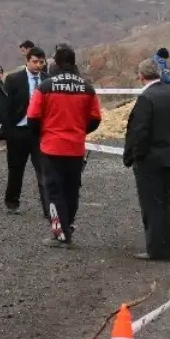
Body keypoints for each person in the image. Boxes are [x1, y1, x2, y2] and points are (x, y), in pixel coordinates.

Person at [28, 44, 102, 248]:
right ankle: (68, 226)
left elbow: (33, 117)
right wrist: (80, 131)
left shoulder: (45, 86)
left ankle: (60, 234)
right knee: (72, 189)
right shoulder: (87, 87)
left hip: (51, 147)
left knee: (54, 191)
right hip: (76, 147)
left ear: (56, 62)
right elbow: (96, 118)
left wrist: (43, 134)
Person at [124, 58, 170, 261]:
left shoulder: (146, 98)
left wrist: (134, 156)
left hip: (149, 159)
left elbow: (139, 132)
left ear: (141, 76)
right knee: (164, 202)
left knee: (151, 205)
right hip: (168, 155)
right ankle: (164, 247)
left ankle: (155, 250)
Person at [2, 46, 49, 216]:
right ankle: (12, 202)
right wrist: (8, 133)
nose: (38, 65)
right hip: (18, 130)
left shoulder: (47, 80)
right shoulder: (14, 79)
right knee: (16, 169)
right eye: (35, 62)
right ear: (27, 61)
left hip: (39, 133)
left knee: (43, 170)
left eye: (41, 62)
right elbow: (5, 108)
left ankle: (48, 207)